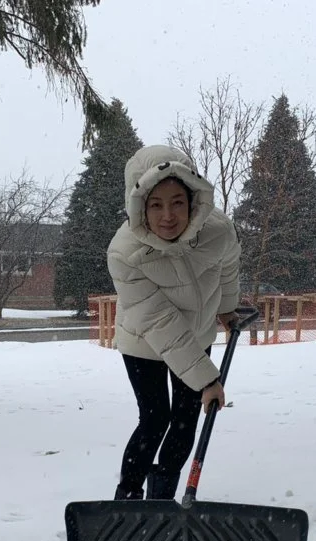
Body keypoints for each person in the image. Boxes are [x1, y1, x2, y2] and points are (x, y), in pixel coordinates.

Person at [107, 145, 241, 501]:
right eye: (156, 205)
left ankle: (162, 499)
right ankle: (128, 498)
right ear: (139, 205)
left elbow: (228, 269)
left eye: (177, 202)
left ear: (192, 198)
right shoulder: (124, 252)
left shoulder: (218, 230)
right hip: (144, 341)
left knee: (185, 421)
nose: (168, 216)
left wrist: (227, 308)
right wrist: (207, 379)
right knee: (155, 419)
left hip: (197, 335)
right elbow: (159, 322)